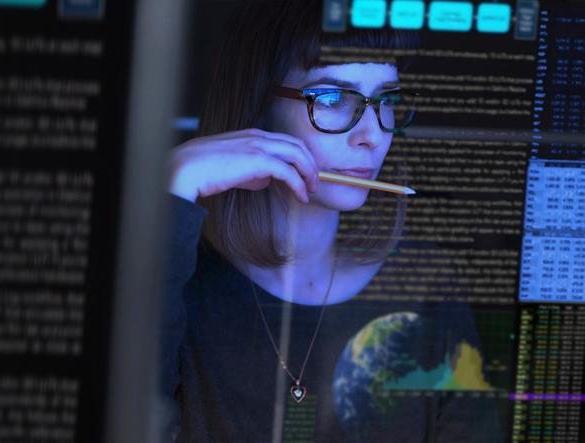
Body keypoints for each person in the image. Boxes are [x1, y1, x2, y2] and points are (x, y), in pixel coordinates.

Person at [162, 1, 503, 442]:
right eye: (332, 98)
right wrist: (174, 188)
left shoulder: (426, 283)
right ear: (257, 103)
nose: (373, 136)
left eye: (386, 101)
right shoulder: (180, 279)